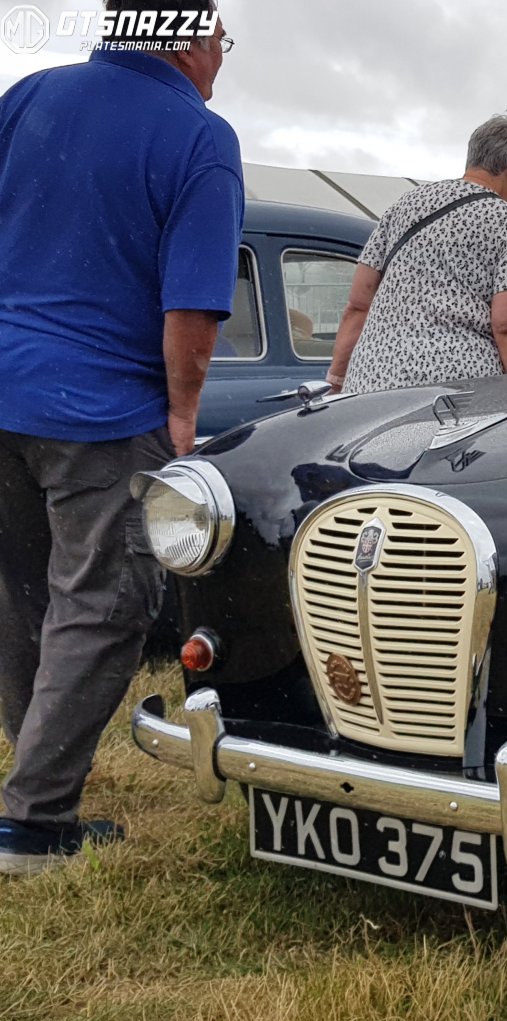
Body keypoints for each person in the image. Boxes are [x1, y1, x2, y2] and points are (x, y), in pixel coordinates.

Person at [0, 0, 243, 873]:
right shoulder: (199, 136)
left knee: (21, 590)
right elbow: (193, 307)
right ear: (186, 40)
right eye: (221, 39)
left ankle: (33, 770)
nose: (223, 55)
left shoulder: (28, 95)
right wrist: (182, 417)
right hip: (100, 409)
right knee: (105, 603)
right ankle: (34, 823)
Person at [326, 112, 507, 393]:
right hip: (453, 394)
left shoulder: (405, 204)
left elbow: (358, 304)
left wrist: (337, 381)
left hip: (371, 386)